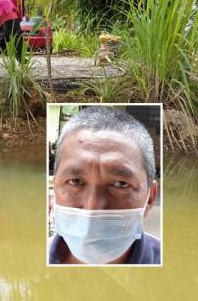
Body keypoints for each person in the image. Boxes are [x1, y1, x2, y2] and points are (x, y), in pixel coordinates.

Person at [48, 106, 161, 265]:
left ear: (149, 199)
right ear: (54, 189)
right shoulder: (28, 264)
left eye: (121, 184)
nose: (92, 207)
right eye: (75, 181)